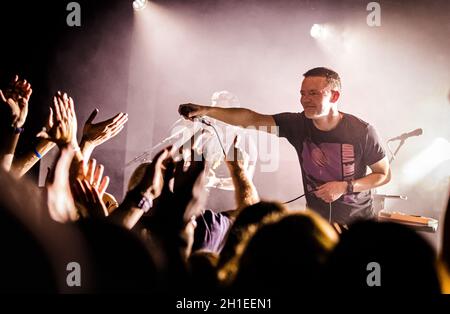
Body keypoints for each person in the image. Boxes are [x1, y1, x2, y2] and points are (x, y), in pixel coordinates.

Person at [179, 67, 391, 225]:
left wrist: (345, 187)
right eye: (302, 93)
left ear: (335, 96)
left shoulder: (361, 131)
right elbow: (250, 119)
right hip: (317, 221)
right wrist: (207, 110)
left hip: (357, 223)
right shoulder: (296, 124)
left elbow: (383, 174)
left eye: (313, 93)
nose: (305, 100)